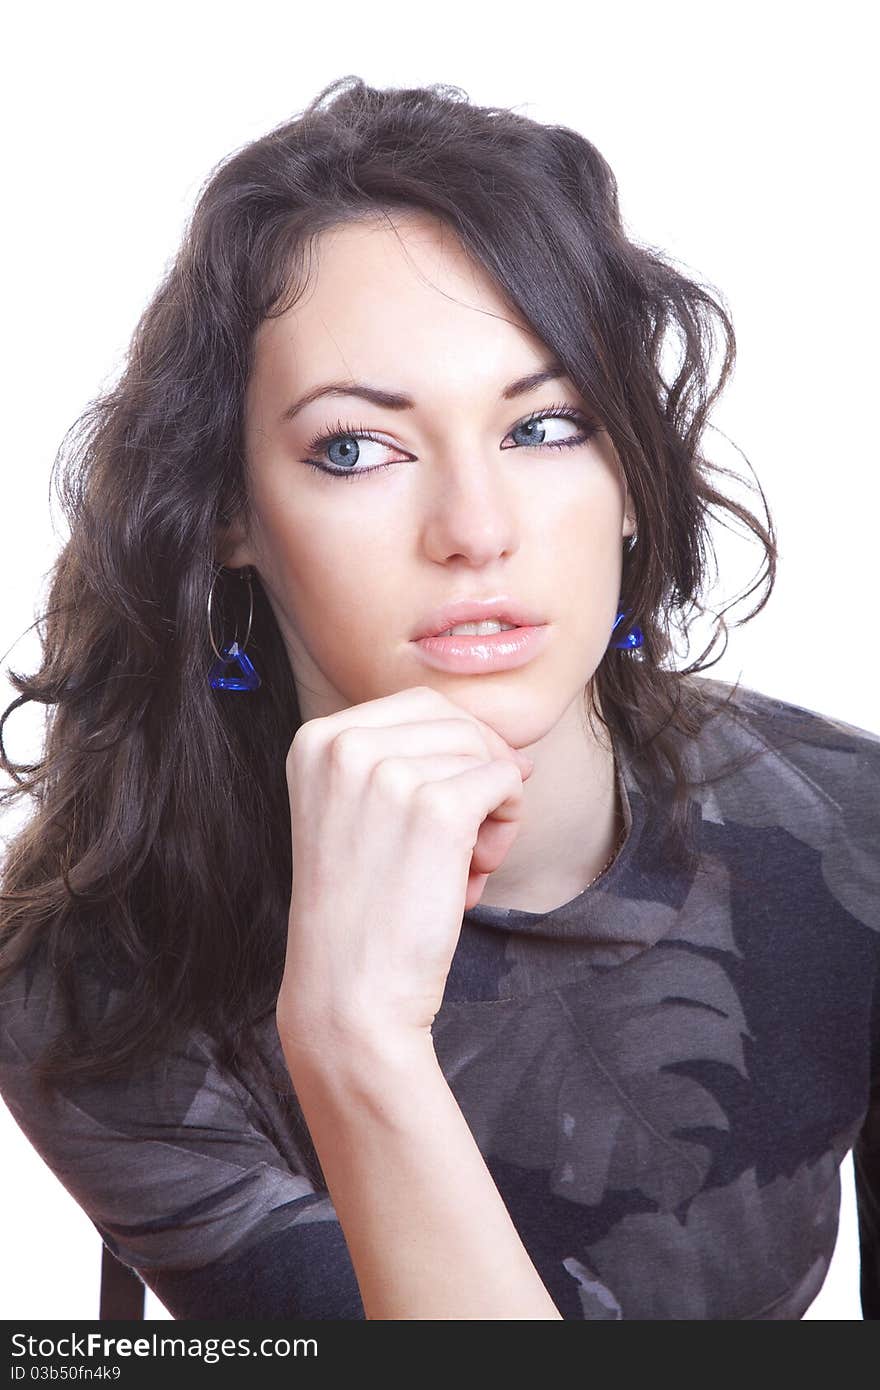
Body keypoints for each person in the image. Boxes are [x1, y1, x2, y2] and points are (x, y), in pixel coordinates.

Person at [0, 74, 878, 1322]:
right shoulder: (95, 982)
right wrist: (356, 1036)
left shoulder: (853, 833)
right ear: (230, 512)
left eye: (546, 426)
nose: (475, 528)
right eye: (356, 448)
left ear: (632, 478)